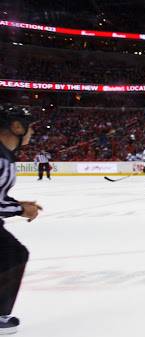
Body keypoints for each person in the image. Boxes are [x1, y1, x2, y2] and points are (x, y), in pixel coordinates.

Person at [0, 106, 42, 335]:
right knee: (13, 255)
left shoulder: (6, 155)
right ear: (16, 126)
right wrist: (19, 209)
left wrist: (15, 204)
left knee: (13, 254)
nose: (32, 132)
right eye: (30, 127)